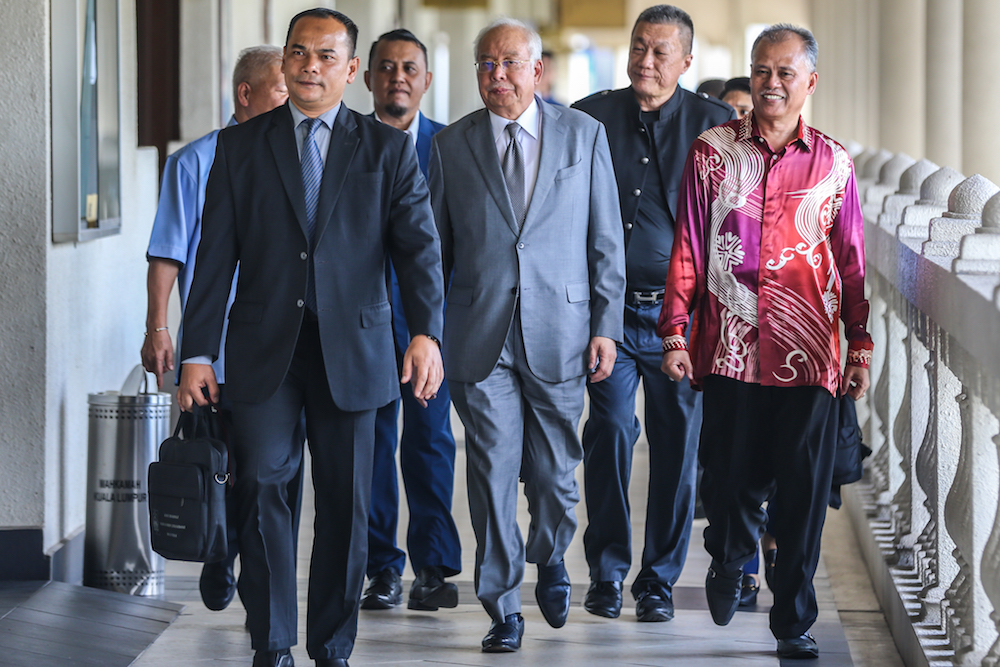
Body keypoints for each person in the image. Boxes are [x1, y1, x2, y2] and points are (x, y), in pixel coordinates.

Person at [177, 9, 446, 667]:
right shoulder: (240, 146)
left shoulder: (386, 150)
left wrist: (425, 333)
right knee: (263, 485)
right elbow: (214, 255)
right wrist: (195, 351)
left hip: (354, 352)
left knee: (346, 503)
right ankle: (272, 639)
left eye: (327, 56)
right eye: (299, 52)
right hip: (265, 350)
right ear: (285, 62)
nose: (311, 66)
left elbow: (419, 251)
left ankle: (331, 641)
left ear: (351, 70)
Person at [658, 23, 872, 660]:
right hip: (728, 348)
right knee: (729, 480)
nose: (771, 84)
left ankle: (794, 620)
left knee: (803, 496)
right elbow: (690, 246)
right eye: (761, 71)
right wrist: (675, 330)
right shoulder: (713, 151)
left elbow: (852, 261)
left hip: (811, 358)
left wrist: (859, 347)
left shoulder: (834, 162)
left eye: (785, 73)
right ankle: (727, 558)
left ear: (810, 81)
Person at [429, 17, 625, 653]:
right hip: (478, 334)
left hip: (562, 330)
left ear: (537, 71)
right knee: (489, 471)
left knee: (556, 475)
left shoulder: (582, 135)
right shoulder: (452, 145)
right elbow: (434, 252)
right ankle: (502, 604)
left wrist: (606, 325)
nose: (497, 76)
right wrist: (429, 335)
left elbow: (605, 240)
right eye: (486, 65)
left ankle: (551, 553)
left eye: (510, 64)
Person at [571, 4, 734, 624]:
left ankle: (659, 579)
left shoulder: (716, 126)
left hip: (681, 322)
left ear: (686, 61)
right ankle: (608, 571)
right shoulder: (590, 117)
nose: (645, 60)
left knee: (676, 447)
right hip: (607, 315)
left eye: (660, 51)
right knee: (609, 434)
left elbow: (732, 229)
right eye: (639, 46)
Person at [140, 45, 292, 614]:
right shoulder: (195, 163)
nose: (291, 99)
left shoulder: (297, 159)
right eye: (280, 90)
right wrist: (160, 328)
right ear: (245, 95)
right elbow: (166, 255)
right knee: (217, 460)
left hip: (276, 353)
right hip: (215, 354)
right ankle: (219, 549)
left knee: (265, 471)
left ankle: (253, 570)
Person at [359, 28, 462, 613]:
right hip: (365, 321)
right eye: (387, 66)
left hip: (430, 320)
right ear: (368, 78)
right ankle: (380, 568)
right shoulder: (349, 142)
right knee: (371, 445)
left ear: (425, 80)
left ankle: (433, 566)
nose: (398, 76)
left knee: (429, 442)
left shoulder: (451, 146)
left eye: (409, 68)